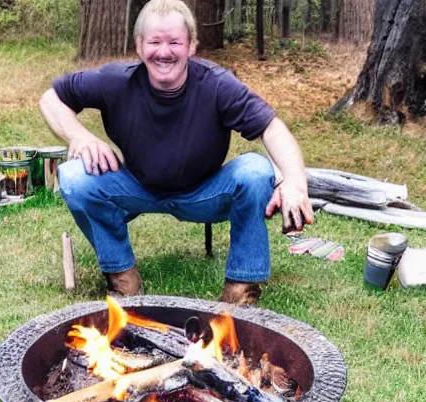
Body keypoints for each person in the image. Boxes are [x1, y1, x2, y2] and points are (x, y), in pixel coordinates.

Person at [39, 0, 313, 305]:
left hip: (205, 193)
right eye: (154, 42)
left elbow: (273, 129)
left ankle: (241, 288)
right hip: (137, 186)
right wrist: (80, 136)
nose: (164, 52)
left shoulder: (218, 85)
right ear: (139, 46)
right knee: (74, 175)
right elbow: (52, 98)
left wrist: (294, 182)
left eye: (175, 42)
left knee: (256, 170)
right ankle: (122, 277)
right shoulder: (115, 80)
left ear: (192, 46)